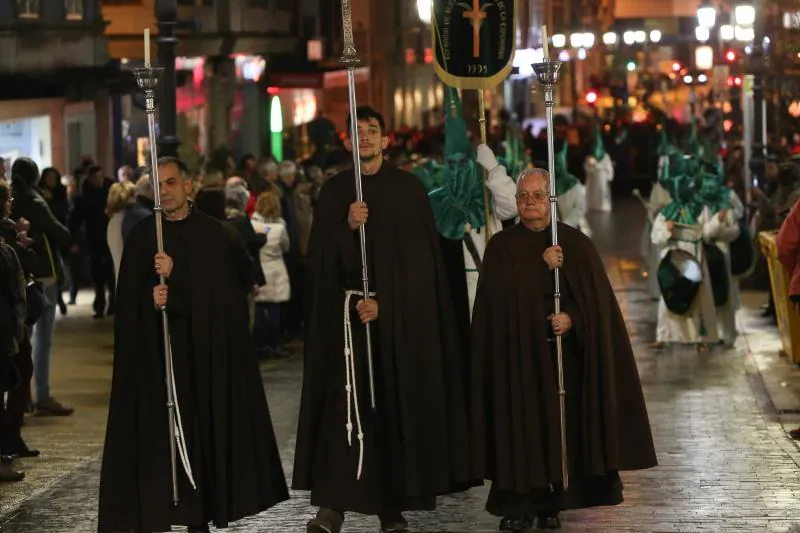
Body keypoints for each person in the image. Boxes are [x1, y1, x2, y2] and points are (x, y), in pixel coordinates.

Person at [294, 106, 475, 533]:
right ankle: (333, 505)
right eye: (357, 132)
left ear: (386, 139)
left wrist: (387, 304)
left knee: (392, 407)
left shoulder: (408, 190)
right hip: (346, 323)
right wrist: (345, 227)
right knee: (345, 409)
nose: (366, 138)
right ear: (346, 142)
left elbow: (421, 268)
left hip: (398, 325)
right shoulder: (336, 192)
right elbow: (319, 264)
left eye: (373, 130)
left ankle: (392, 507)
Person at [97, 156, 289, 533]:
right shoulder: (143, 237)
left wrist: (178, 279)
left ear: (189, 186)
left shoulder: (215, 235)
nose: (164, 192)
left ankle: (199, 516)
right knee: (160, 441)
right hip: (159, 362)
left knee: (202, 437)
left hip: (204, 359)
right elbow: (129, 305)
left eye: (171, 183)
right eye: (159, 185)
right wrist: (153, 299)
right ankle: (163, 512)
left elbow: (227, 299)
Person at [469, 168, 657, 532]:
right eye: (523, 197)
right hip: (517, 362)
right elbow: (495, 306)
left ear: (551, 200)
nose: (529, 204)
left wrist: (571, 319)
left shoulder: (575, 244)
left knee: (558, 433)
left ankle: (552, 502)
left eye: (537, 196)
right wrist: (539, 269)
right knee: (520, 432)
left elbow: (598, 309)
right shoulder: (501, 248)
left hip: (561, 363)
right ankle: (518, 504)